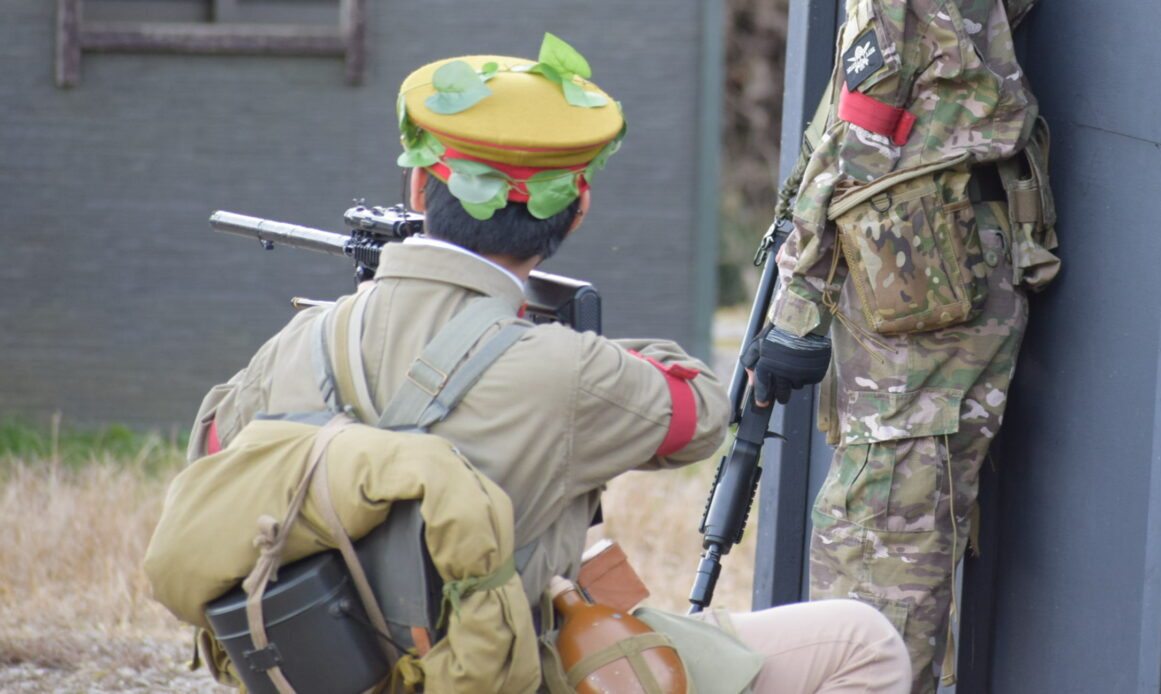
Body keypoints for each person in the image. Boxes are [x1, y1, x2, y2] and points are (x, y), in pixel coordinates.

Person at [189, 40, 912, 694]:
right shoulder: (570, 370)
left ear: (418, 191)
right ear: (578, 208)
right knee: (863, 641)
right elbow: (698, 414)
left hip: (328, 670)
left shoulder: (301, 340)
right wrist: (558, 337)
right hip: (505, 673)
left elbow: (213, 453)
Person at [741, 0, 1057, 694]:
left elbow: (854, 151)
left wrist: (792, 318)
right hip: (958, 283)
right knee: (909, 529)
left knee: (875, 554)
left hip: (924, 304)